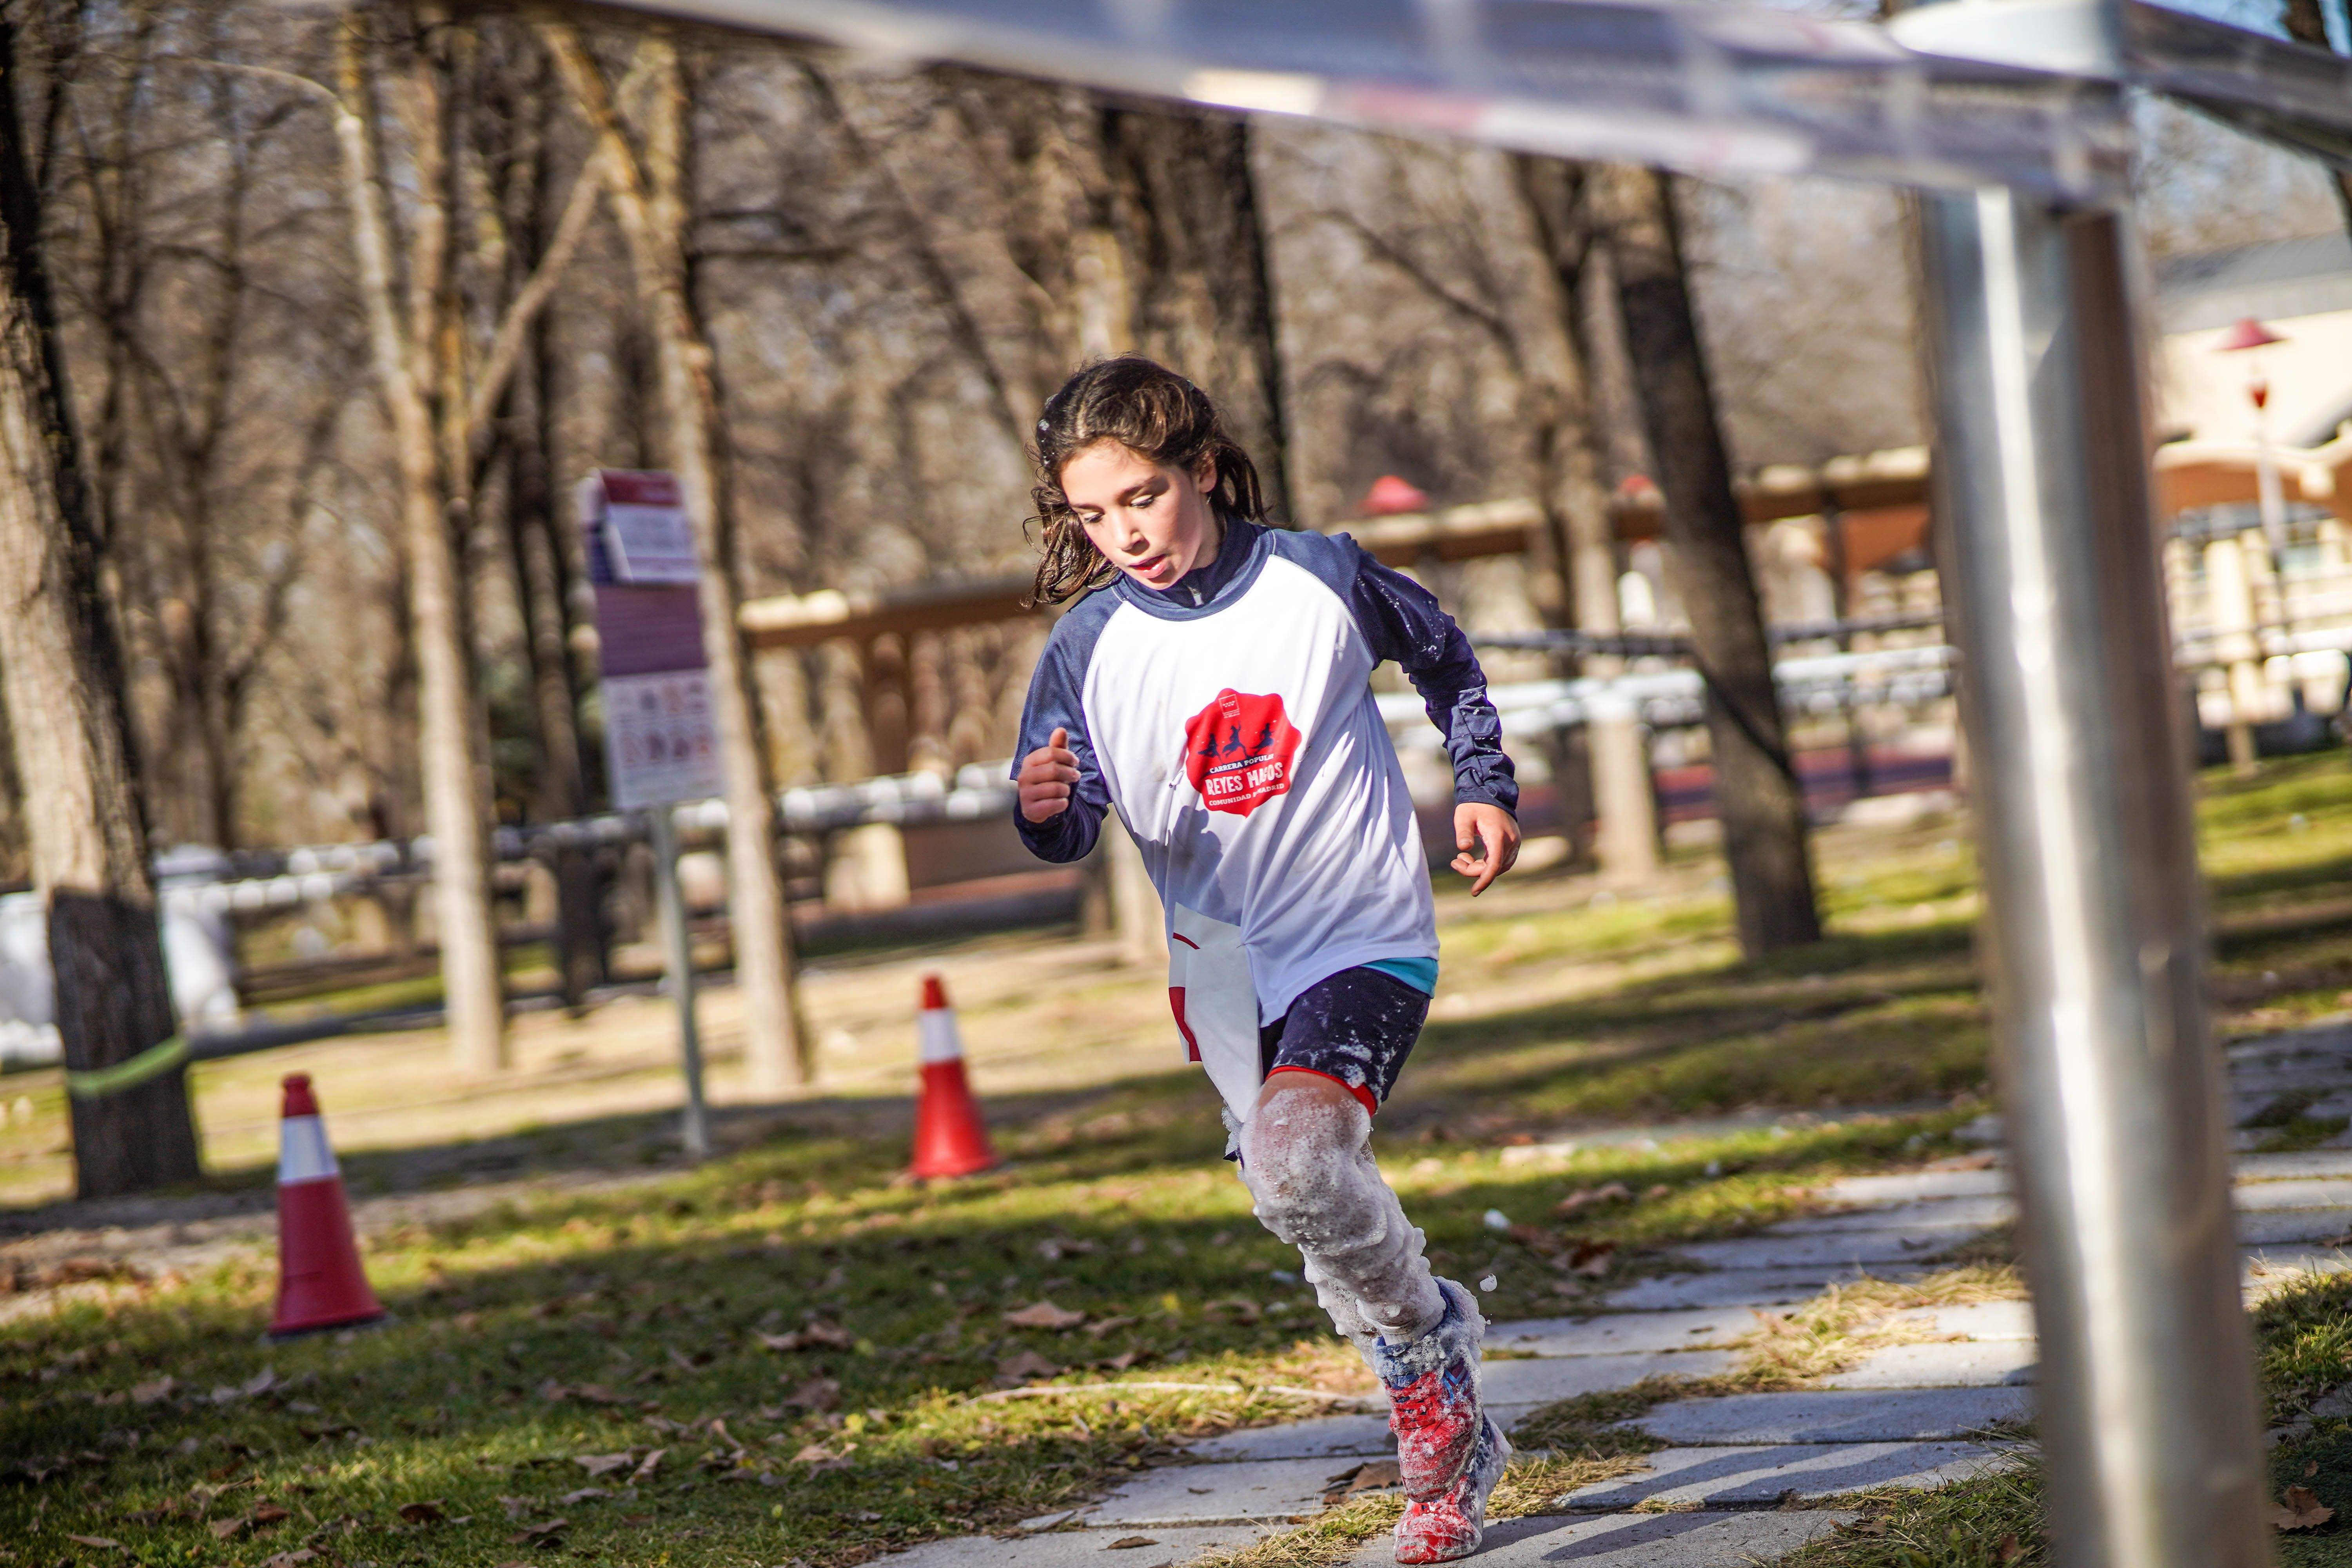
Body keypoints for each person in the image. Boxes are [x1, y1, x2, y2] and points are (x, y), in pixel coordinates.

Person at [1011, 358, 1521, 1564]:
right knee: (1298, 1203)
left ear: (1199, 468)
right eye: (1092, 514)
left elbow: (1447, 661)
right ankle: (1435, 1351)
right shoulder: (1085, 647)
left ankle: (1431, 1404)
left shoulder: (1319, 576)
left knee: (1297, 1163)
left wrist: (1484, 784)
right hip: (1221, 965)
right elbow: (1067, 826)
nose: (1124, 534)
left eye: (1142, 497)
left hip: (1361, 929)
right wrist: (1040, 807)